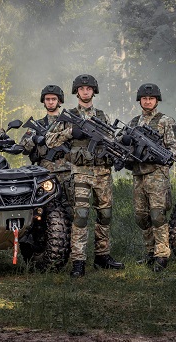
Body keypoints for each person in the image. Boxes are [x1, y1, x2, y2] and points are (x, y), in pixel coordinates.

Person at [45, 74, 124, 278]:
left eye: (89, 88)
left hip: (102, 173)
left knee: (105, 215)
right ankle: (78, 261)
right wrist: (71, 132)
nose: (85, 91)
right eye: (82, 88)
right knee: (80, 216)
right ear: (76, 91)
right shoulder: (69, 115)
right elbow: (50, 140)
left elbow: (113, 141)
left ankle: (102, 255)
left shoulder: (102, 116)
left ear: (93, 91)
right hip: (80, 173)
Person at [126, 83, 176, 272]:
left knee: (157, 215)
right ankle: (150, 251)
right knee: (141, 216)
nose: (147, 101)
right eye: (144, 98)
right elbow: (123, 145)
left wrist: (157, 155)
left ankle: (162, 254)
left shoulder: (166, 121)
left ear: (157, 100)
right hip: (138, 175)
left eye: (151, 98)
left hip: (157, 175)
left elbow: (175, 149)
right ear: (139, 100)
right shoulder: (133, 122)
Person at [20, 85, 73, 205]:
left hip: (68, 172)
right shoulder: (38, 124)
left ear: (59, 101)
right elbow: (23, 147)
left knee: (70, 208)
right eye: (47, 99)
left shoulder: (68, 124)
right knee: (46, 206)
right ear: (43, 101)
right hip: (45, 173)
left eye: (54, 99)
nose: (50, 102)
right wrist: (34, 139)